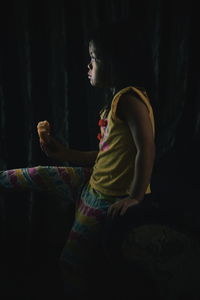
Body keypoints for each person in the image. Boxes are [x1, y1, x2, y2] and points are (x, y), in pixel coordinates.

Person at [0, 21, 156, 299]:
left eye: (94, 58)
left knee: (69, 263)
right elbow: (108, 156)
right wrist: (65, 154)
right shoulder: (117, 101)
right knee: (35, 173)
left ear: (116, 62)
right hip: (90, 181)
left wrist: (134, 197)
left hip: (104, 198)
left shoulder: (129, 100)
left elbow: (147, 147)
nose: (89, 65)